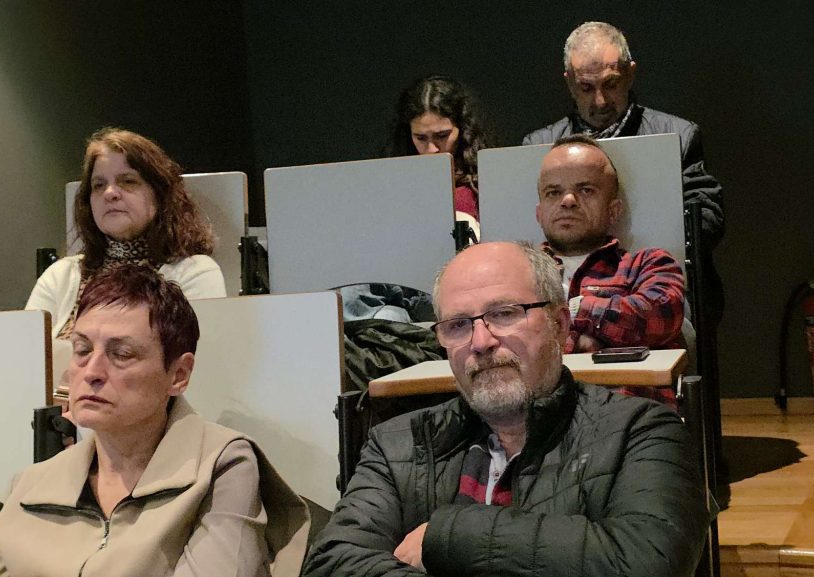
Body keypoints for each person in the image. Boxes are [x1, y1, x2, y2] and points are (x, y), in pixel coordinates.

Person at [303, 241, 709, 577]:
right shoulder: (397, 443)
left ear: (560, 325)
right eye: (458, 325)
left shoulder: (641, 432)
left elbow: (650, 563)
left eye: (504, 314)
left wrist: (448, 536)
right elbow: (332, 562)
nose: (481, 342)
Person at [0, 264, 309, 577]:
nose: (92, 372)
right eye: (82, 349)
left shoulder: (221, 465)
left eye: (121, 354)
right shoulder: (31, 484)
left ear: (178, 375)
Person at [523, 21, 723, 327]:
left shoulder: (678, 135)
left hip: (656, 286)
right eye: (586, 88)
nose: (600, 100)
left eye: (611, 84)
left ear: (630, 73)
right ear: (569, 83)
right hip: (567, 289)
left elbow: (706, 219)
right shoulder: (538, 146)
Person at [27, 127, 226, 340]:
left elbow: (197, 356)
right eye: (99, 185)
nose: (110, 193)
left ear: (159, 195)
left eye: (128, 181)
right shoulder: (60, 276)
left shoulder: (194, 273)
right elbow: (23, 353)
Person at [537, 135, 685, 354]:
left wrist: (573, 311)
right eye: (553, 192)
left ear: (613, 210)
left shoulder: (648, 265)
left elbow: (662, 316)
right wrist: (580, 341)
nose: (568, 201)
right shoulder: (513, 272)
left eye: (585, 190)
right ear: (539, 213)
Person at [385, 75, 493, 223]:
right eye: (421, 138)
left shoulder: (487, 185)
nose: (431, 149)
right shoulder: (395, 190)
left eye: (442, 136)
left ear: (463, 130)